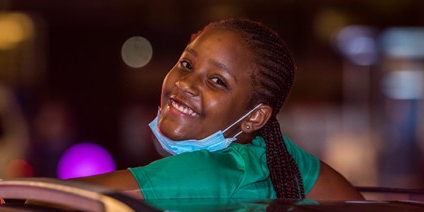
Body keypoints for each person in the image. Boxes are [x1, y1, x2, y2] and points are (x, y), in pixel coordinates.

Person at [76, 18, 362, 201]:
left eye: (217, 81)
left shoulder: (215, 171)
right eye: (187, 64)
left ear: (255, 117)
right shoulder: (273, 156)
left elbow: (60, 198)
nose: (185, 83)